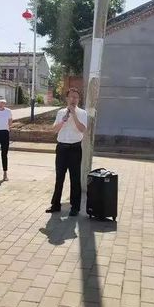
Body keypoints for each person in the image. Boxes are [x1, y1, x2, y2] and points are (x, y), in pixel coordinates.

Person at [46, 88, 87, 217]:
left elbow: (82, 129)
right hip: (62, 148)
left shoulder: (82, 113)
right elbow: (54, 130)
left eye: (76, 97)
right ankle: (55, 205)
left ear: (79, 99)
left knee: (75, 179)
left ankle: (75, 207)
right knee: (59, 177)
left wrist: (74, 115)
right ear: (67, 98)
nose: (73, 99)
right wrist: (64, 119)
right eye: (71, 97)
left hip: (75, 148)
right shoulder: (60, 112)